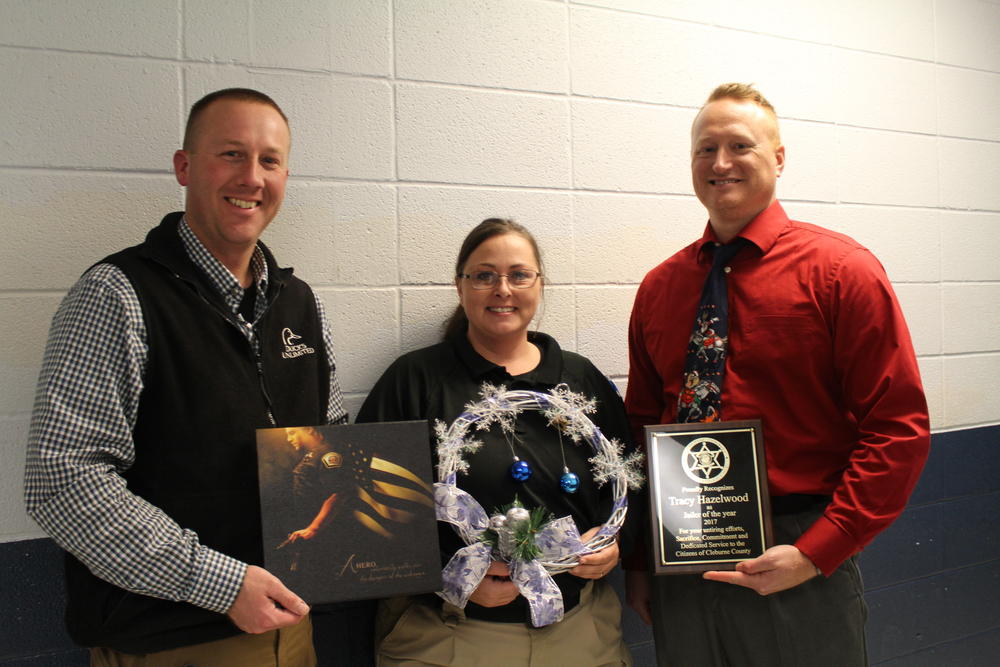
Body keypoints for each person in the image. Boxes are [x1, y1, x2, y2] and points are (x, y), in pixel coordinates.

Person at [24, 88, 371, 665]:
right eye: (230, 154)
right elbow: (63, 479)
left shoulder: (299, 303)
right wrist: (222, 584)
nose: (252, 177)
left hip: (292, 632)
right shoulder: (117, 295)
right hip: (172, 642)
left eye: (269, 160)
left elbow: (331, 438)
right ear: (184, 167)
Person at [624, 82, 931, 666]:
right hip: (680, 559)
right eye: (704, 148)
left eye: (740, 145)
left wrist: (819, 552)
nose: (720, 163)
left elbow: (898, 428)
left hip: (797, 556)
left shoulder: (842, 273)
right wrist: (641, 559)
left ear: (779, 158)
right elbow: (641, 424)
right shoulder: (659, 288)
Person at [356, 218, 636, 666]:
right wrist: (451, 576)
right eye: (484, 275)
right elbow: (367, 506)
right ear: (459, 285)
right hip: (450, 636)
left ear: (539, 284)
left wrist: (613, 545)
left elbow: (627, 486)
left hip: (580, 633)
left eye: (519, 274)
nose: (502, 289)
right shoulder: (416, 380)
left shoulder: (581, 381)